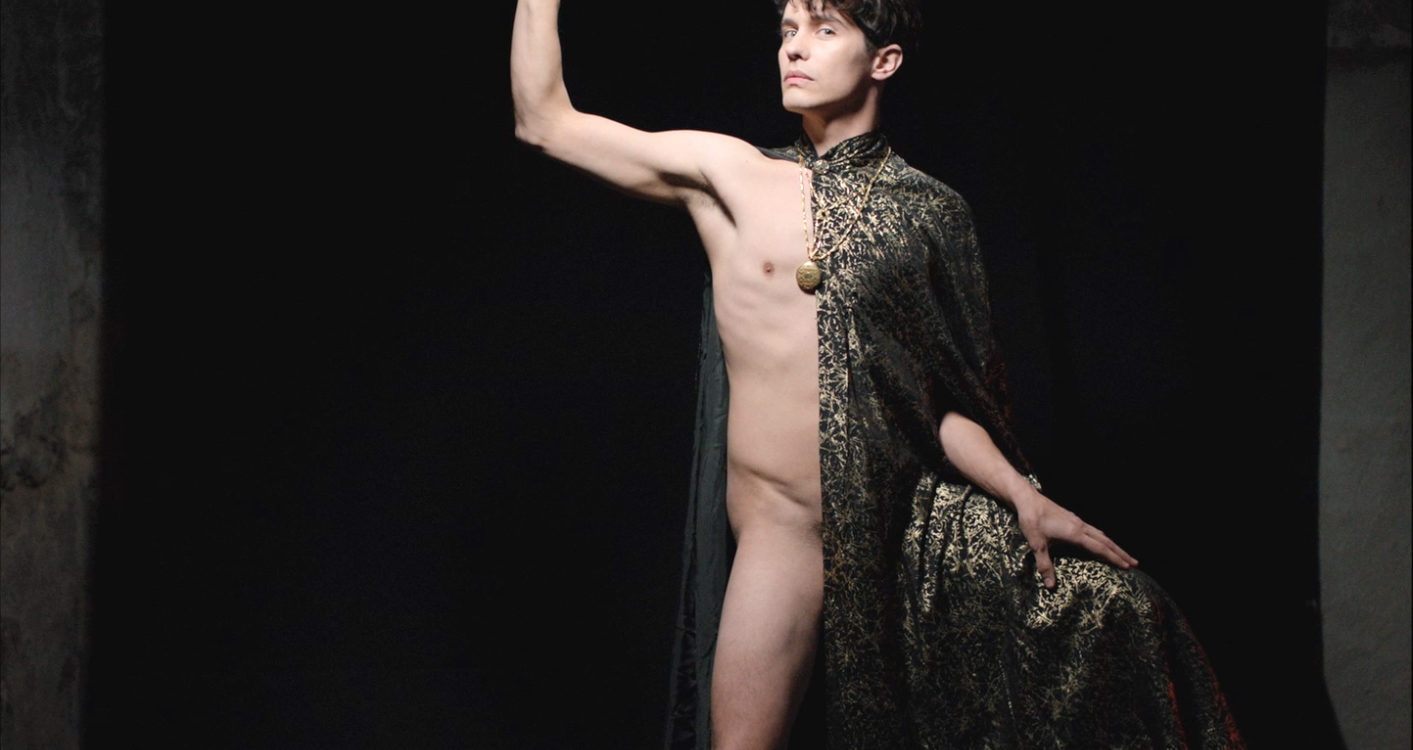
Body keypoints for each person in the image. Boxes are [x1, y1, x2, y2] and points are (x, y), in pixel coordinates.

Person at [511, 1, 1243, 747]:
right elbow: (544, 122)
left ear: (883, 60)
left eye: (824, 29)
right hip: (789, 537)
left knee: (1121, 610)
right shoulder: (729, 174)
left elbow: (939, 403)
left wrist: (1024, 493)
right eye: (788, 31)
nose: (795, 49)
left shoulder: (930, 212)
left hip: (911, 533)